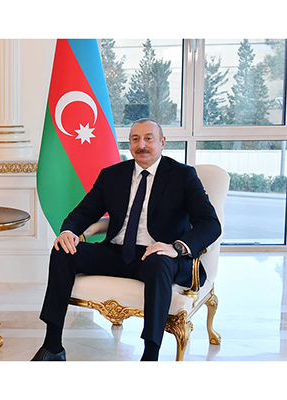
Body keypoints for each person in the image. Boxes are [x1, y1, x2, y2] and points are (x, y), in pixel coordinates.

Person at [32, 118, 221, 361]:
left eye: (149, 138)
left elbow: (210, 223)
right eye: (135, 139)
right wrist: (68, 231)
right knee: (62, 250)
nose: (141, 145)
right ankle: (53, 345)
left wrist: (176, 247)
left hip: (158, 255)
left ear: (162, 142)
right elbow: (84, 212)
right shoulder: (113, 175)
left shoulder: (183, 176)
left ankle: (150, 355)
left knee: (158, 262)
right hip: (117, 252)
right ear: (129, 144)